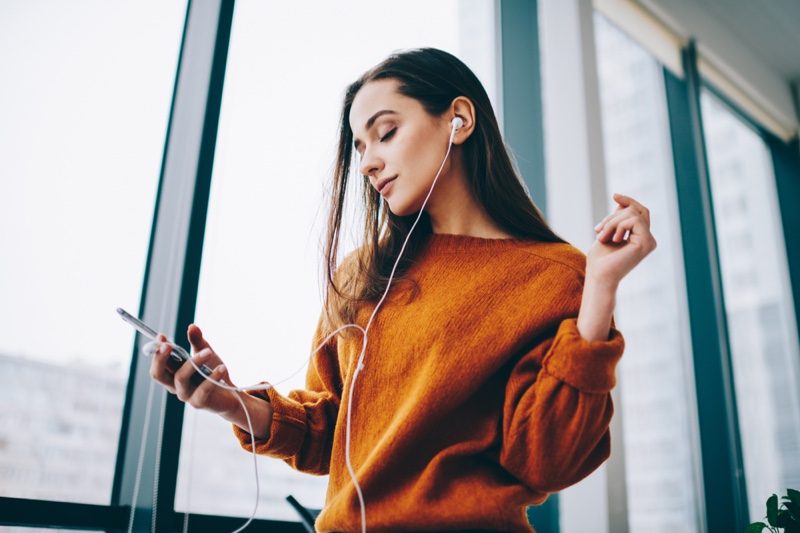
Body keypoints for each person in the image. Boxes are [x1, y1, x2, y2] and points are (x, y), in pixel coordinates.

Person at [149, 48, 656, 533]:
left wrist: (600, 289)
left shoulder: (554, 276)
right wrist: (231, 403)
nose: (367, 162)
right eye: (360, 147)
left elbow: (546, 459)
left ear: (459, 119)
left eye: (385, 133)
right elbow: (332, 432)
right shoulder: (362, 275)